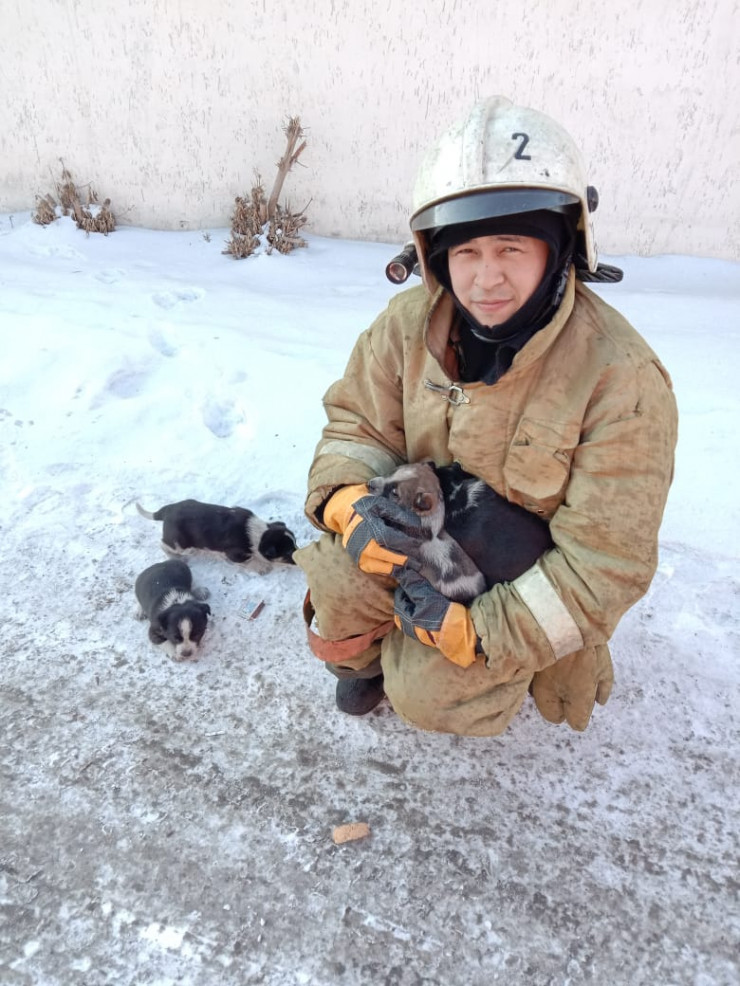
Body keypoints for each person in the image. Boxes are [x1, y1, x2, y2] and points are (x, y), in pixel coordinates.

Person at [293, 95, 678, 736]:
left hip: (512, 578)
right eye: (467, 252)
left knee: (430, 692)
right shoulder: (404, 327)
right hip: (413, 533)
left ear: (561, 247)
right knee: (336, 579)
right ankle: (367, 663)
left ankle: (516, 663)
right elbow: (356, 424)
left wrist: (482, 633)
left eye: (511, 248)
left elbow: (606, 563)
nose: (486, 279)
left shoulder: (621, 379)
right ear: (435, 254)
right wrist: (347, 503)